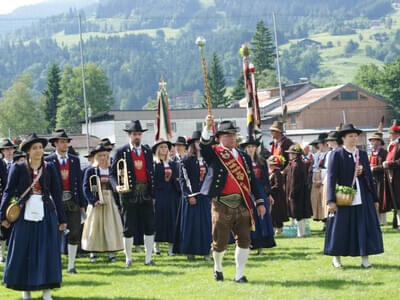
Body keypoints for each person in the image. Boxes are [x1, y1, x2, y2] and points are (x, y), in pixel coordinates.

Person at [0, 133, 67, 300]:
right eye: (35, 148)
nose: (39, 151)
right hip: (24, 214)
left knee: (47, 251)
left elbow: (57, 194)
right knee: (23, 250)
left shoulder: (50, 167)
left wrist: (62, 218)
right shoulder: (18, 168)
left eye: (40, 148)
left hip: (46, 214)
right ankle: (25, 291)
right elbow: (7, 192)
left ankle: (46, 292)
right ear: (28, 151)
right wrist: (2, 216)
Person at [200, 116, 266, 283]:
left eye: (233, 135)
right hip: (221, 202)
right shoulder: (215, 153)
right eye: (227, 135)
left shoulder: (243, 156)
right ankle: (218, 268)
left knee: (245, 239)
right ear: (219, 137)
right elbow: (204, 146)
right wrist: (207, 128)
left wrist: (259, 201)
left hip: (242, 202)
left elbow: (252, 181)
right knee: (220, 242)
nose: (231, 138)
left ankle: (239, 274)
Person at [325, 124, 384, 268]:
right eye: (350, 136)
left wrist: (375, 198)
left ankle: (365, 258)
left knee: (364, 226)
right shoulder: (336, 154)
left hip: (362, 195)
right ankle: (336, 258)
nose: (353, 138)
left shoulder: (362, 154)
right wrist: (330, 200)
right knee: (340, 227)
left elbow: (370, 178)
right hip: (343, 197)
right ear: (343, 138)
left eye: (355, 136)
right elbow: (332, 178)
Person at [110, 120, 156, 266]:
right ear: (129, 135)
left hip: (146, 193)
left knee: (149, 226)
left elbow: (151, 173)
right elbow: (112, 174)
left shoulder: (147, 151)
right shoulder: (120, 151)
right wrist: (116, 187)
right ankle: (128, 258)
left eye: (139, 134)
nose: (137, 137)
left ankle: (148, 258)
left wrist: (153, 193)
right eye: (134, 134)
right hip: (128, 193)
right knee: (129, 227)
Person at [45, 129, 85, 274]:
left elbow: (79, 183)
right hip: (56, 203)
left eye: (66, 141)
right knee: (56, 234)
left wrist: (82, 205)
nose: (65, 144)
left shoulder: (75, 160)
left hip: (73, 201)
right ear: (55, 144)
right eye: (62, 142)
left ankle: (71, 265)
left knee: (74, 233)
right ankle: (56, 265)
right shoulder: (48, 160)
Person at [82, 144, 123, 262]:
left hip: (110, 200)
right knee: (94, 227)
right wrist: (93, 201)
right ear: (95, 157)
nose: (103, 158)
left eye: (105, 155)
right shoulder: (91, 170)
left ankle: (111, 252)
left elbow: (116, 186)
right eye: (100, 156)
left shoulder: (112, 170)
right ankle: (92, 252)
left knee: (111, 226)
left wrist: (119, 204)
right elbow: (85, 187)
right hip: (96, 202)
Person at [176, 131, 212, 261]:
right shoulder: (186, 160)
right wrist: (189, 195)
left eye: (201, 142)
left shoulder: (208, 160)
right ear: (192, 144)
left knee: (206, 225)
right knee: (191, 226)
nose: (199, 145)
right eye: (197, 142)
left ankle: (206, 251)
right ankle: (190, 251)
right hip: (192, 197)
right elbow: (183, 179)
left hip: (205, 197)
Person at [240, 136, 276, 254]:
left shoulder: (261, 162)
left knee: (261, 218)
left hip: (260, 192)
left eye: (253, 147)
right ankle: (247, 245)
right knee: (248, 219)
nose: (251, 149)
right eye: (249, 147)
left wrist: (268, 194)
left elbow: (266, 180)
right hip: (246, 191)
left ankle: (261, 247)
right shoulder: (242, 162)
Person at [152, 139, 180, 256]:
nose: (164, 149)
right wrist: (153, 195)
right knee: (158, 220)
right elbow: (152, 181)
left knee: (172, 220)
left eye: (165, 147)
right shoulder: (154, 164)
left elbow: (177, 180)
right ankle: (156, 246)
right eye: (161, 147)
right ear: (158, 150)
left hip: (172, 195)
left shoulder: (173, 163)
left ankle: (171, 248)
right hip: (159, 195)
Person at [284, 144, 312, 237]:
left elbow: (294, 181)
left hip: (297, 192)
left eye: (291, 153)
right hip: (301, 191)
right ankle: (302, 232)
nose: (289, 155)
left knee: (298, 212)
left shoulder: (296, 165)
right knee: (301, 213)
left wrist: (291, 193)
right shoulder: (297, 163)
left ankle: (301, 233)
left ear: (295, 155)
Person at [369, 131, 388, 225]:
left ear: (379, 142)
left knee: (381, 198)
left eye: (374, 141)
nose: (372, 143)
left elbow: (385, 166)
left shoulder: (384, 152)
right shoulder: (372, 153)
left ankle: (382, 221)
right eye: (371, 141)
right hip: (373, 179)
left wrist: (373, 168)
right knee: (374, 198)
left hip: (381, 179)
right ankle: (376, 219)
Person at [383, 120, 400, 229]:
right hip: (392, 175)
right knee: (395, 201)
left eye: (391, 134)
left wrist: (390, 164)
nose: (390, 136)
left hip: (398, 175)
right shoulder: (392, 145)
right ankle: (397, 221)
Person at [267, 155, 288, 235]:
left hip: (277, 196)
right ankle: (275, 229)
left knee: (277, 214)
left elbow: (278, 185)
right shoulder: (272, 172)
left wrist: (269, 190)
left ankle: (279, 229)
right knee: (273, 214)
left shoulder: (277, 173)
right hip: (273, 196)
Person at [310, 133, 328, 223]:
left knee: (325, 203)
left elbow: (326, 170)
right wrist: (315, 180)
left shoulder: (329, 154)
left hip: (324, 181)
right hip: (317, 181)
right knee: (318, 202)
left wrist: (321, 180)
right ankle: (323, 221)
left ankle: (326, 221)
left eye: (319, 144)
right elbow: (315, 169)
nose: (318, 146)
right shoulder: (318, 154)